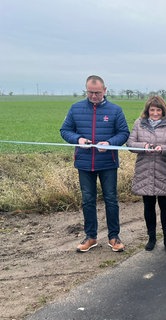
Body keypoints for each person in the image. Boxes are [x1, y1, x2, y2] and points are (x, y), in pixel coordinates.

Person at [60, 75, 130, 252]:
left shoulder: (115, 110)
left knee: (111, 200)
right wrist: (78, 139)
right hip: (84, 163)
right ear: (86, 90)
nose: (94, 96)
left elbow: (124, 133)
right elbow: (65, 130)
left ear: (105, 90)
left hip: (108, 163)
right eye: (90, 92)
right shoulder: (76, 109)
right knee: (88, 200)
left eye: (97, 93)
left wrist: (110, 143)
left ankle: (114, 237)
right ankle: (90, 237)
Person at [126, 96, 166, 253]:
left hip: (164, 170)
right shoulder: (139, 123)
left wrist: (162, 149)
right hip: (145, 170)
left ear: (163, 111)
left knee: (165, 206)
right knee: (148, 206)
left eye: (158, 110)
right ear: (147, 110)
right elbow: (130, 144)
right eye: (152, 110)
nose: (155, 113)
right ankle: (151, 237)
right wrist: (145, 146)